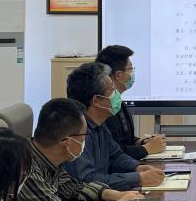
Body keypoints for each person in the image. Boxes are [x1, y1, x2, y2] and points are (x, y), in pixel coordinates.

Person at [12, 98, 144, 201]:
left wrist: (117, 195)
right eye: (84, 135)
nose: (85, 140)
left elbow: (72, 188)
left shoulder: (47, 158)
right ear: (67, 142)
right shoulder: (25, 170)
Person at [64, 62, 165, 190]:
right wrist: (138, 178)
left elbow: (116, 156)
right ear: (96, 100)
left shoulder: (100, 124)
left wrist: (137, 167)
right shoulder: (76, 132)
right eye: (112, 90)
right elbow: (87, 180)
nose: (116, 94)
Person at [95, 45, 166, 160]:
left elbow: (126, 139)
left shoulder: (118, 101)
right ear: (118, 75)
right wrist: (147, 148)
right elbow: (114, 152)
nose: (132, 74)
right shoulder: (104, 107)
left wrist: (143, 141)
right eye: (131, 69)